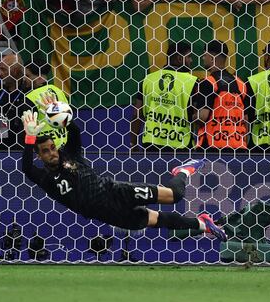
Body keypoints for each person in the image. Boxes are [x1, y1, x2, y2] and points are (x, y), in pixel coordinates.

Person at [21, 92, 226, 239]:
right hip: (107, 214)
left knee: (175, 195)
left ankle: (182, 171)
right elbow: (27, 168)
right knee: (157, 220)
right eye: (45, 151)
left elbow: (74, 134)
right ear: (39, 156)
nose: (51, 153)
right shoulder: (45, 179)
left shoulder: (70, 155)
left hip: (115, 192)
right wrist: (30, 137)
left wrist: (59, 113)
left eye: (52, 148)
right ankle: (203, 224)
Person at [131, 41, 209, 150]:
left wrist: (133, 144)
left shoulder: (148, 79)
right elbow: (197, 116)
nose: (191, 60)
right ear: (179, 59)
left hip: (151, 144)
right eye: (189, 57)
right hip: (181, 146)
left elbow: (137, 114)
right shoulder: (193, 82)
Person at [196, 40, 249, 150]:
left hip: (212, 147)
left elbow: (203, 116)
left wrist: (192, 117)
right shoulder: (240, 84)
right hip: (238, 146)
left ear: (211, 57)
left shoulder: (208, 82)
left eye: (204, 55)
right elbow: (246, 119)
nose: (203, 58)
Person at [24, 62, 70, 149]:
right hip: (63, 144)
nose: (24, 79)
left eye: (28, 76)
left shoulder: (30, 97)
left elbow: (26, 129)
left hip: (43, 148)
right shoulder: (59, 91)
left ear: (40, 77)